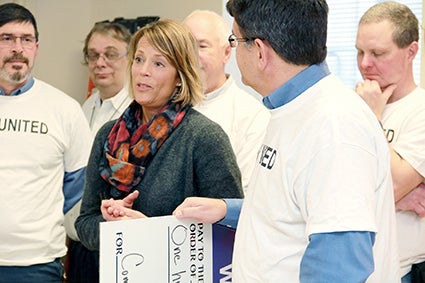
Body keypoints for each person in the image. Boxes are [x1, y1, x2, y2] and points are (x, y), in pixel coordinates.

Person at [224, 0, 400, 281]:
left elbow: (339, 267)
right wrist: (225, 210)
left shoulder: (333, 126)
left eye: (235, 40)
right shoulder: (294, 108)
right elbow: (290, 209)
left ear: (259, 51)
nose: (233, 52)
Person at [75, 17, 243, 259]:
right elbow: (85, 224)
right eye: (139, 59)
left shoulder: (204, 137)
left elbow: (230, 231)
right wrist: (112, 224)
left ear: (179, 76)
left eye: (159, 64)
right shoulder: (108, 135)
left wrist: (148, 231)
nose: (143, 71)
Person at [0, 3, 92, 282]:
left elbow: (78, 186)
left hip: (38, 264)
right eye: (7, 38)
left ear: (36, 48)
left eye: (26, 39)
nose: (18, 48)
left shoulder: (64, 109)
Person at [355, 2, 425, 282]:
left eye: (378, 53)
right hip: (355, 266)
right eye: (359, 52)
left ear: (411, 52)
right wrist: (398, 197)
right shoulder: (350, 106)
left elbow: (394, 183)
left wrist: (373, 117)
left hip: (401, 270)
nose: (364, 64)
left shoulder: (420, 110)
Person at [64, 22, 133, 283]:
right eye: (93, 55)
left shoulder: (138, 113)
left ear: (130, 57)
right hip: (80, 242)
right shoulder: (84, 107)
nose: (100, 62)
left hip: (116, 245)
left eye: (111, 54)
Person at [183, 10, 270, 191]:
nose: (190, 55)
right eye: (184, 46)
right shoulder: (161, 107)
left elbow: (245, 194)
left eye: (202, 46)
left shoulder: (252, 115)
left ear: (226, 53)